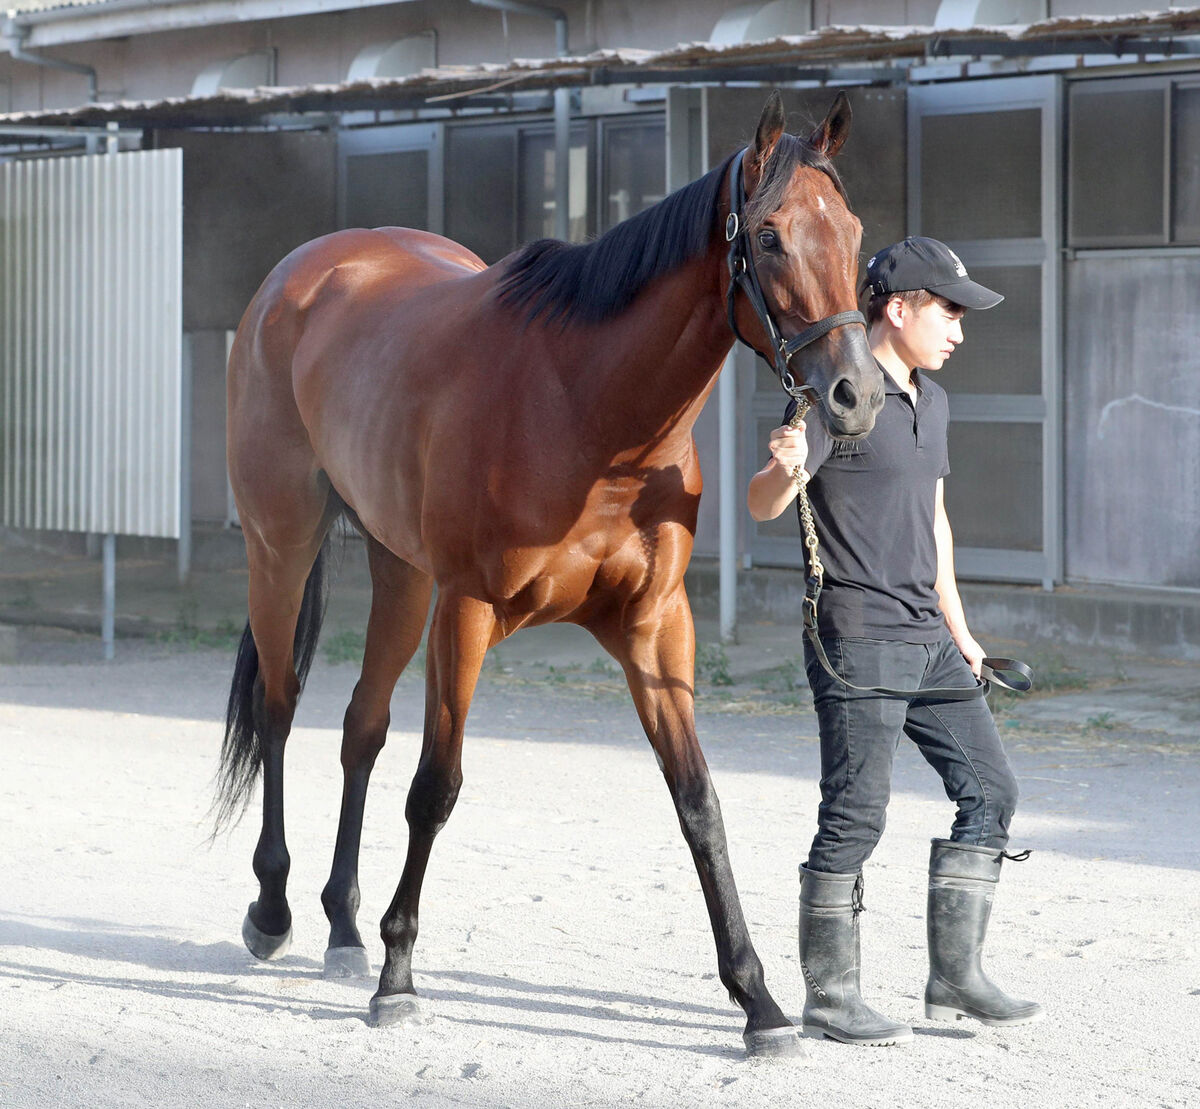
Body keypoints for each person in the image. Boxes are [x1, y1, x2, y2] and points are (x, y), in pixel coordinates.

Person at [746, 236, 1044, 1047]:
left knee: (991, 791)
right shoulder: (833, 392)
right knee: (855, 815)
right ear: (899, 307)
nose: (958, 328)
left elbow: (935, 523)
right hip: (858, 636)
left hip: (928, 637)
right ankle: (831, 997)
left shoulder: (934, 402)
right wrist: (780, 468)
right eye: (947, 310)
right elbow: (764, 505)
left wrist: (965, 633)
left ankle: (954, 978)